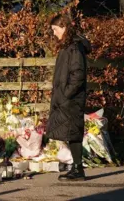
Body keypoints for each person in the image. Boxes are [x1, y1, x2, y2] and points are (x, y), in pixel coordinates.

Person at [45, 13, 91, 181]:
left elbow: (78, 75)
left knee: (73, 132)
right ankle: (77, 168)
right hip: (68, 98)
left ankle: (78, 170)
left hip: (71, 99)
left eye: (55, 29)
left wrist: (66, 94)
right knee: (72, 132)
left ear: (64, 27)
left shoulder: (74, 48)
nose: (54, 33)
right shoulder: (69, 47)